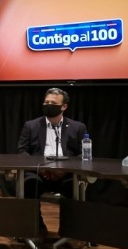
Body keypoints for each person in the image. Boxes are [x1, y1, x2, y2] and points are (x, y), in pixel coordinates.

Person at [17, 87, 88, 239]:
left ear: (64, 106)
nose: (48, 105)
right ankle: (37, 228)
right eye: (46, 102)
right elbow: (22, 151)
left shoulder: (78, 127)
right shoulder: (31, 125)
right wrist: (41, 169)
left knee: (75, 187)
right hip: (38, 172)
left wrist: (65, 170)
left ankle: (69, 231)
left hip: (66, 174)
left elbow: (83, 154)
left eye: (53, 103)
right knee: (28, 184)